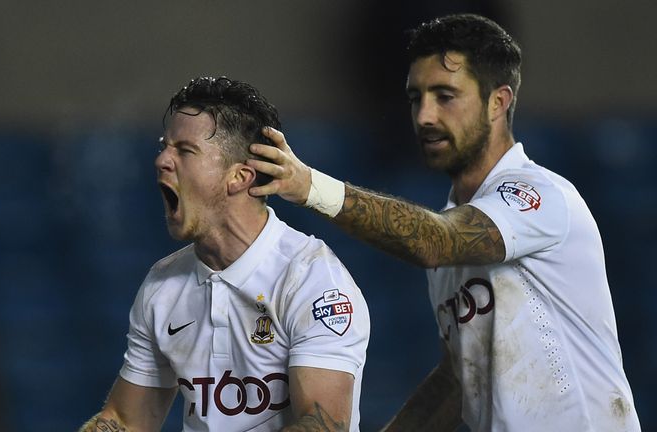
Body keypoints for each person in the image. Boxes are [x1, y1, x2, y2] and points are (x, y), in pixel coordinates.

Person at [246, 13, 641, 432]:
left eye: (445, 95)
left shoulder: (539, 195)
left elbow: (435, 240)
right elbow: (458, 380)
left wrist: (311, 186)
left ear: (498, 101)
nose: (424, 116)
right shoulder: (452, 226)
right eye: (416, 97)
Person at [79, 76, 370, 432]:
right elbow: (125, 420)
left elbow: (323, 425)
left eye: (184, 150)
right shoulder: (162, 285)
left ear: (240, 177)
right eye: (164, 146)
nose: (161, 160)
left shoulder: (312, 278)